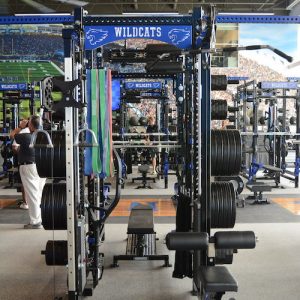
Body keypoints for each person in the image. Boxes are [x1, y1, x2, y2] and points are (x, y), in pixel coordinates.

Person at [10, 116, 46, 229]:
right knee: (38, 194)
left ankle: (35, 222)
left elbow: (11, 135)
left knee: (32, 195)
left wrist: (21, 126)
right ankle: (40, 218)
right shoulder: (44, 135)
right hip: (42, 166)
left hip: (29, 167)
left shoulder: (25, 136)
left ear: (30, 125)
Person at [12, 118, 30, 210]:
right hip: (36, 161)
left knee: (25, 183)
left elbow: (14, 146)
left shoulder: (22, 132)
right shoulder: (40, 131)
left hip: (24, 162)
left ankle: (26, 203)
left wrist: (21, 151)